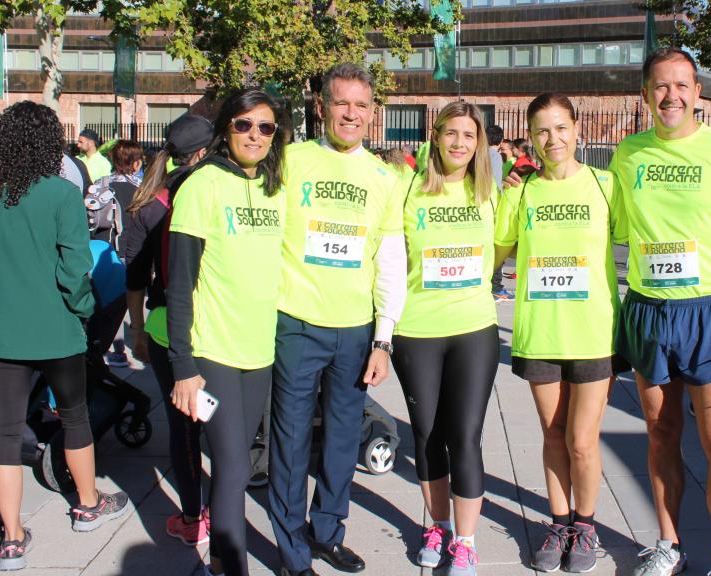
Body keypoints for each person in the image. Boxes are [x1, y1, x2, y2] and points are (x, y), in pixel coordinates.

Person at [0, 101, 131, 572]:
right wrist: (83, 308)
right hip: (58, 327)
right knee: (74, 416)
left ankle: (11, 537)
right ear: (48, 144)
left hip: (0, 331)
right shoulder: (60, 194)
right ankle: (87, 504)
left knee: (7, 429)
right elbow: (74, 269)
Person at [610, 48, 711, 576]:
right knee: (661, 435)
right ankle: (668, 545)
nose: (672, 96)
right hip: (649, 311)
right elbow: (611, 224)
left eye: (682, 85)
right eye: (661, 86)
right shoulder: (628, 153)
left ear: (698, 93)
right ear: (645, 95)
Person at [266, 62, 406, 576]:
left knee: (345, 439)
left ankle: (327, 532)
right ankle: (292, 553)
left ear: (372, 112)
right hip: (297, 324)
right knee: (290, 440)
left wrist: (383, 339)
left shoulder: (385, 178)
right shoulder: (289, 160)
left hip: (355, 331)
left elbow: (391, 262)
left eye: (361, 105)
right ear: (322, 107)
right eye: (342, 102)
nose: (351, 113)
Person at [494, 93, 621, 574]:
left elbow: (641, 235)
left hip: (593, 333)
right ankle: (560, 522)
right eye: (542, 131)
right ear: (530, 136)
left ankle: (585, 525)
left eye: (561, 127)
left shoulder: (605, 185)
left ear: (577, 128)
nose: (553, 139)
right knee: (553, 435)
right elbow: (494, 252)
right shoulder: (521, 190)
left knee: (582, 441)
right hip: (541, 332)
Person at [166, 90, 288, 576]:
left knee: (235, 466)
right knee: (235, 466)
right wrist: (183, 366)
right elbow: (179, 284)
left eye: (265, 127)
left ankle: (220, 559)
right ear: (226, 129)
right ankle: (232, 567)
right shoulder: (202, 185)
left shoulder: (274, 188)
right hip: (211, 352)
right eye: (243, 124)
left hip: (259, 353)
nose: (254, 135)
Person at [393, 102, 498, 575]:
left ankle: (467, 543)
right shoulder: (407, 186)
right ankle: (438, 526)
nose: (459, 143)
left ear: (479, 144)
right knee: (427, 434)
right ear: (434, 136)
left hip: (474, 327)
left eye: (469, 135)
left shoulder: (491, 192)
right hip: (417, 329)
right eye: (451, 133)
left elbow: (508, 244)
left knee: (465, 435)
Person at [124, 114, 212, 547]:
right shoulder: (219, 190)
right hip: (222, 326)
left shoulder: (149, 203)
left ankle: (194, 516)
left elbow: (135, 277)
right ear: (204, 152)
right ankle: (224, 508)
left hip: (165, 327)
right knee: (222, 428)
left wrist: (138, 330)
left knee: (183, 428)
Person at [86, 140, 144, 369]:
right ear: (136, 162)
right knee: (124, 302)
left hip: (101, 251)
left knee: (103, 304)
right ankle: (118, 350)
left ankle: (100, 348)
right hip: (129, 252)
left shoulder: (101, 184)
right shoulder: (141, 189)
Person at [485, 124, 513, 302]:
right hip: (493, 206)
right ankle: (496, 288)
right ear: (501, 140)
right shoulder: (494, 156)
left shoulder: (478, 153)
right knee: (497, 248)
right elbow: (496, 183)